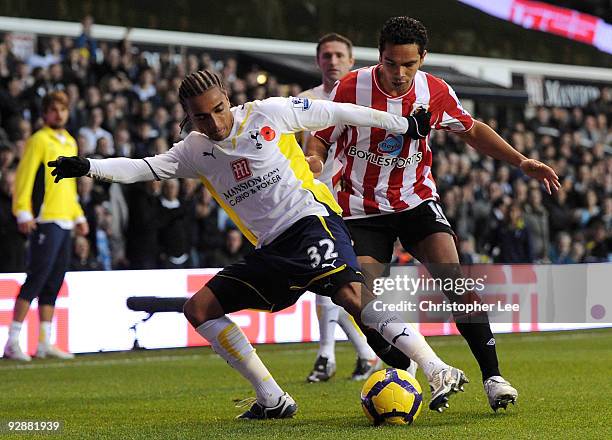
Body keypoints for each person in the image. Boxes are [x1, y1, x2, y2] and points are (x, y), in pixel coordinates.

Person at [49, 69, 468, 419]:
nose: (213, 123)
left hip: (311, 220)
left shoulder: (268, 113)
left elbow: (338, 110)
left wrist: (403, 124)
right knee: (199, 309)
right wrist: (88, 166)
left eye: (217, 110)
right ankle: (272, 398)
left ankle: (436, 369)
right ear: (187, 117)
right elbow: (143, 167)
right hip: (272, 248)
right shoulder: (193, 151)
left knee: (350, 294)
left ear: (227, 99)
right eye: (200, 117)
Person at [306, 16, 560, 411]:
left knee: (455, 282)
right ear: (380, 57)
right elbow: (321, 135)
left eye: (409, 64)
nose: (399, 74)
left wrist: (520, 160)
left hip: (416, 201)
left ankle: (493, 378)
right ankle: (410, 369)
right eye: (392, 64)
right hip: (360, 209)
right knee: (364, 305)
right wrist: (314, 159)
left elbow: (472, 129)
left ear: (423, 58)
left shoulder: (434, 91)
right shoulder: (351, 86)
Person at [299, 33, 382, 384]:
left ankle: (336, 356)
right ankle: (354, 354)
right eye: (326, 55)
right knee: (330, 280)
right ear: (318, 61)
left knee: (337, 281)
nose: (332, 61)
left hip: (353, 202)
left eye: (339, 55)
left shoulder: (365, 100)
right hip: (313, 199)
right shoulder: (303, 102)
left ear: (351, 60)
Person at [3, 91, 89, 362]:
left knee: (54, 281)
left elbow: (71, 184)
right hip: (45, 217)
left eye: (63, 109)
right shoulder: (39, 140)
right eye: (54, 109)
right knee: (37, 277)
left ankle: (43, 342)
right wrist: (23, 212)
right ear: (45, 113)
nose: (60, 114)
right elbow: (24, 178)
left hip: (64, 217)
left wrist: (78, 216)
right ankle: (12, 340)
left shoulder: (71, 142)